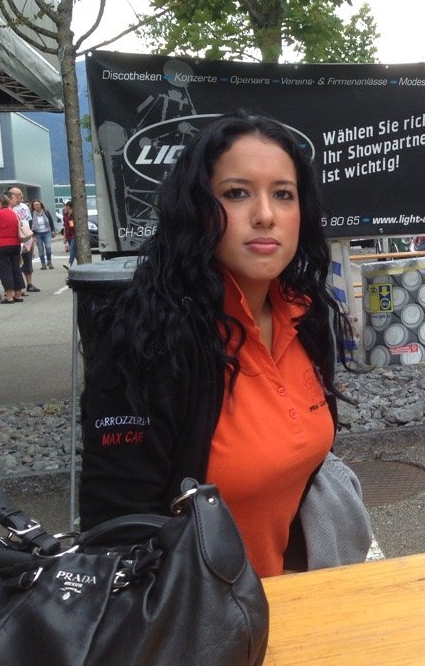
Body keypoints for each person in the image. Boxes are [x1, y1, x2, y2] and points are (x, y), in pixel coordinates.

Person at [79, 111, 357, 578]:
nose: (265, 214)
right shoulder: (149, 339)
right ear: (197, 208)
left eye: (283, 194)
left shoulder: (306, 317)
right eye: (237, 193)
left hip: (285, 602)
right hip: (189, 616)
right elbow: (115, 535)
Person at [0, 194, 25, 303]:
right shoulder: (14, 213)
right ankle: (18, 294)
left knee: (5, 270)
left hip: (1, 244)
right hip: (15, 243)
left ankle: (9, 296)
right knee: (16, 268)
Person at [7, 187, 39, 293]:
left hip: (27, 240)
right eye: (19, 194)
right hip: (16, 240)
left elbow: (28, 222)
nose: (22, 196)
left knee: (27, 261)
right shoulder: (9, 209)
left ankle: (30, 284)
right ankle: (17, 287)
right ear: (12, 196)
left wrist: (31, 236)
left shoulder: (25, 207)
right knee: (16, 263)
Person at [30, 199, 56, 269]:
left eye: (38, 204)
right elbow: (30, 225)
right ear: (33, 207)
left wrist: (53, 230)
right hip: (37, 234)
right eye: (35, 205)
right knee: (40, 249)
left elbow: (51, 221)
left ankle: (49, 262)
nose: (37, 206)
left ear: (41, 205)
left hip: (47, 232)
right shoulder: (32, 214)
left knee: (48, 247)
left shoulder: (46, 212)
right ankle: (43, 264)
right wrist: (33, 235)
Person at [61, 200, 76, 269]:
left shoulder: (73, 215)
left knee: (72, 249)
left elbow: (72, 226)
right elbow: (65, 226)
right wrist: (64, 237)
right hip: (68, 235)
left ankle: (69, 264)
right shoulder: (65, 216)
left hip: (74, 234)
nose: (64, 208)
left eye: (65, 206)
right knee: (73, 250)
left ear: (68, 207)